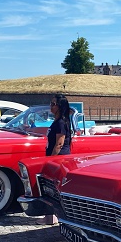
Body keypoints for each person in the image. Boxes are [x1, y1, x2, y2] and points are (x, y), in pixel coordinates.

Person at [36, 94, 72, 225]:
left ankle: (52, 217)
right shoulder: (56, 122)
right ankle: (50, 216)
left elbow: (59, 143)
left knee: (53, 188)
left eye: (53, 104)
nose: (51, 106)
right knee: (50, 188)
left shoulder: (61, 123)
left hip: (59, 158)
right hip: (54, 156)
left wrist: (50, 160)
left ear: (60, 106)